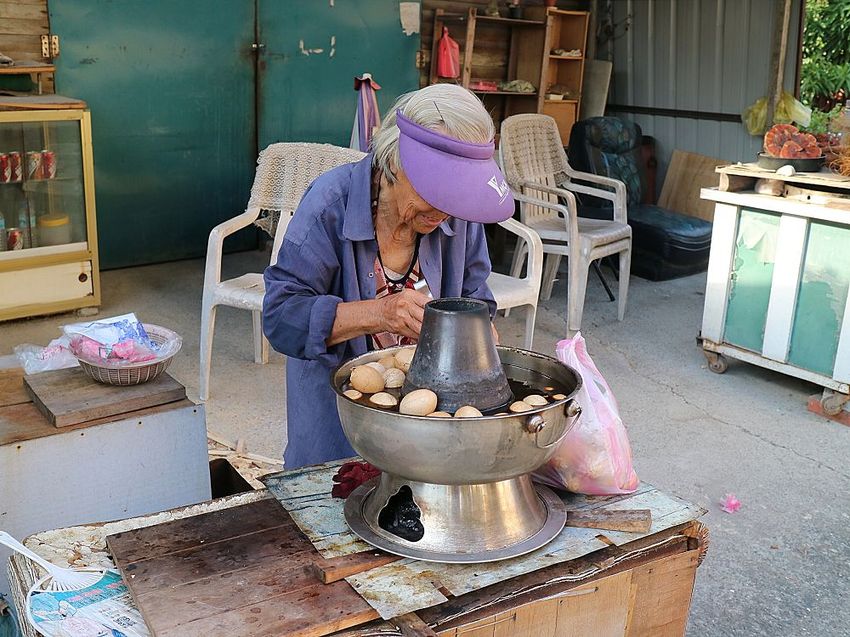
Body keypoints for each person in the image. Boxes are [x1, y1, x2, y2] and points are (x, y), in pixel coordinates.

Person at [263, 83, 514, 469]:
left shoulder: (456, 213)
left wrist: (478, 330)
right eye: (437, 190)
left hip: (431, 437)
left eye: (457, 194)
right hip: (338, 434)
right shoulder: (330, 204)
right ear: (396, 162)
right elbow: (281, 317)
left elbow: (476, 296)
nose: (444, 210)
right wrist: (380, 313)